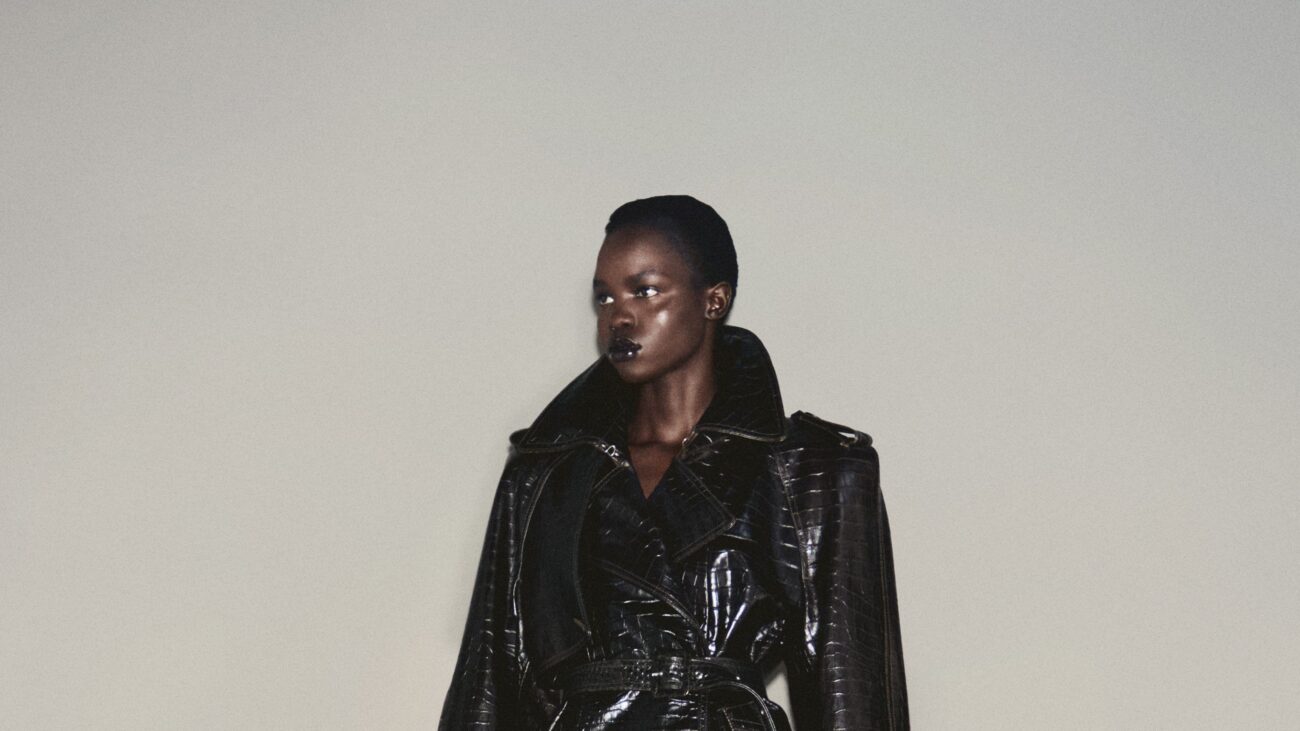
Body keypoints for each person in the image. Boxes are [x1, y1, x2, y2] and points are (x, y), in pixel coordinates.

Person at [439, 195, 909, 730]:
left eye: (645, 291)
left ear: (714, 300)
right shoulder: (545, 473)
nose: (619, 316)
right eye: (605, 297)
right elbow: (489, 678)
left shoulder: (812, 470)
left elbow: (853, 697)